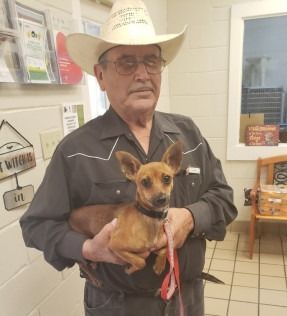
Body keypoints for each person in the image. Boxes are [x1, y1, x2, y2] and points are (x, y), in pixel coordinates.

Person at [20, 1, 238, 315]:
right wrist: (86, 248)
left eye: (151, 61)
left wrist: (190, 218)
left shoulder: (187, 135)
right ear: (100, 76)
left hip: (185, 299)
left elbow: (224, 199)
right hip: (116, 306)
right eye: (126, 63)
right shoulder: (76, 150)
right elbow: (37, 225)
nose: (142, 74)